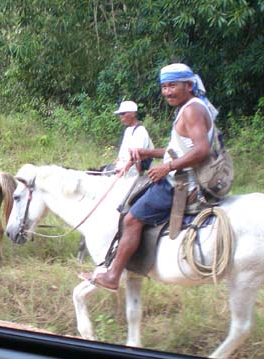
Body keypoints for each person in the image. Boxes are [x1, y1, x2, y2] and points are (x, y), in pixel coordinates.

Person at [80, 63, 218, 291]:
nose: (167, 92)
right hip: (179, 176)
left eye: (173, 86)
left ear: (189, 85)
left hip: (179, 183)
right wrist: (149, 153)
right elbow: (181, 148)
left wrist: (167, 167)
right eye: (164, 87)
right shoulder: (193, 106)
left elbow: (201, 150)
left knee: (131, 219)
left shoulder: (192, 110)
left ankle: (113, 275)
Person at [112, 100, 153, 176]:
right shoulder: (127, 130)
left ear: (133, 114)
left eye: (123, 114)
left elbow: (136, 157)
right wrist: (118, 160)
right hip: (121, 169)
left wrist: (124, 169)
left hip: (131, 173)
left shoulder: (140, 131)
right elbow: (123, 152)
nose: (121, 117)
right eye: (120, 114)